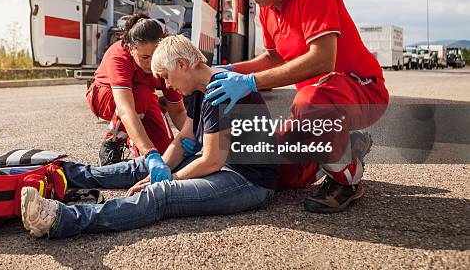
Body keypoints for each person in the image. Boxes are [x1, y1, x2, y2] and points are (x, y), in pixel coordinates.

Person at [20, 35, 278, 239]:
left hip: (249, 182)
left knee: (161, 194)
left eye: (166, 77)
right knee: (147, 166)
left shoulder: (220, 91)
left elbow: (211, 161)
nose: (167, 85)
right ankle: (66, 172)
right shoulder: (202, 90)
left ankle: (61, 219)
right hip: (226, 167)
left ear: (182, 64)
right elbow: (184, 141)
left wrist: (168, 179)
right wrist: (161, 168)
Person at [206, 0, 389, 213]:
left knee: (310, 102)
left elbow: (322, 59)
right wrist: (230, 70)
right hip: (317, 104)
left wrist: (251, 82)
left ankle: (348, 180)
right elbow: (274, 58)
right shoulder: (268, 9)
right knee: (269, 167)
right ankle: (346, 146)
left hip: (360, 91)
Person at [87, 14, 186, 180]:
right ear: (131, 49)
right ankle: (114, 141)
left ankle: (141, 143)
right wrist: (149, 153)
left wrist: (194, 138)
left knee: (166, 154)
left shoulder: (166, 58)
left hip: (143, 99)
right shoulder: (119, 56)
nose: (151, 63)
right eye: (145, 57)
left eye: (155, 56)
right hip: (106, 97)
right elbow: (126, 110)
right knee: (141, 95)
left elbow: (177, 110)